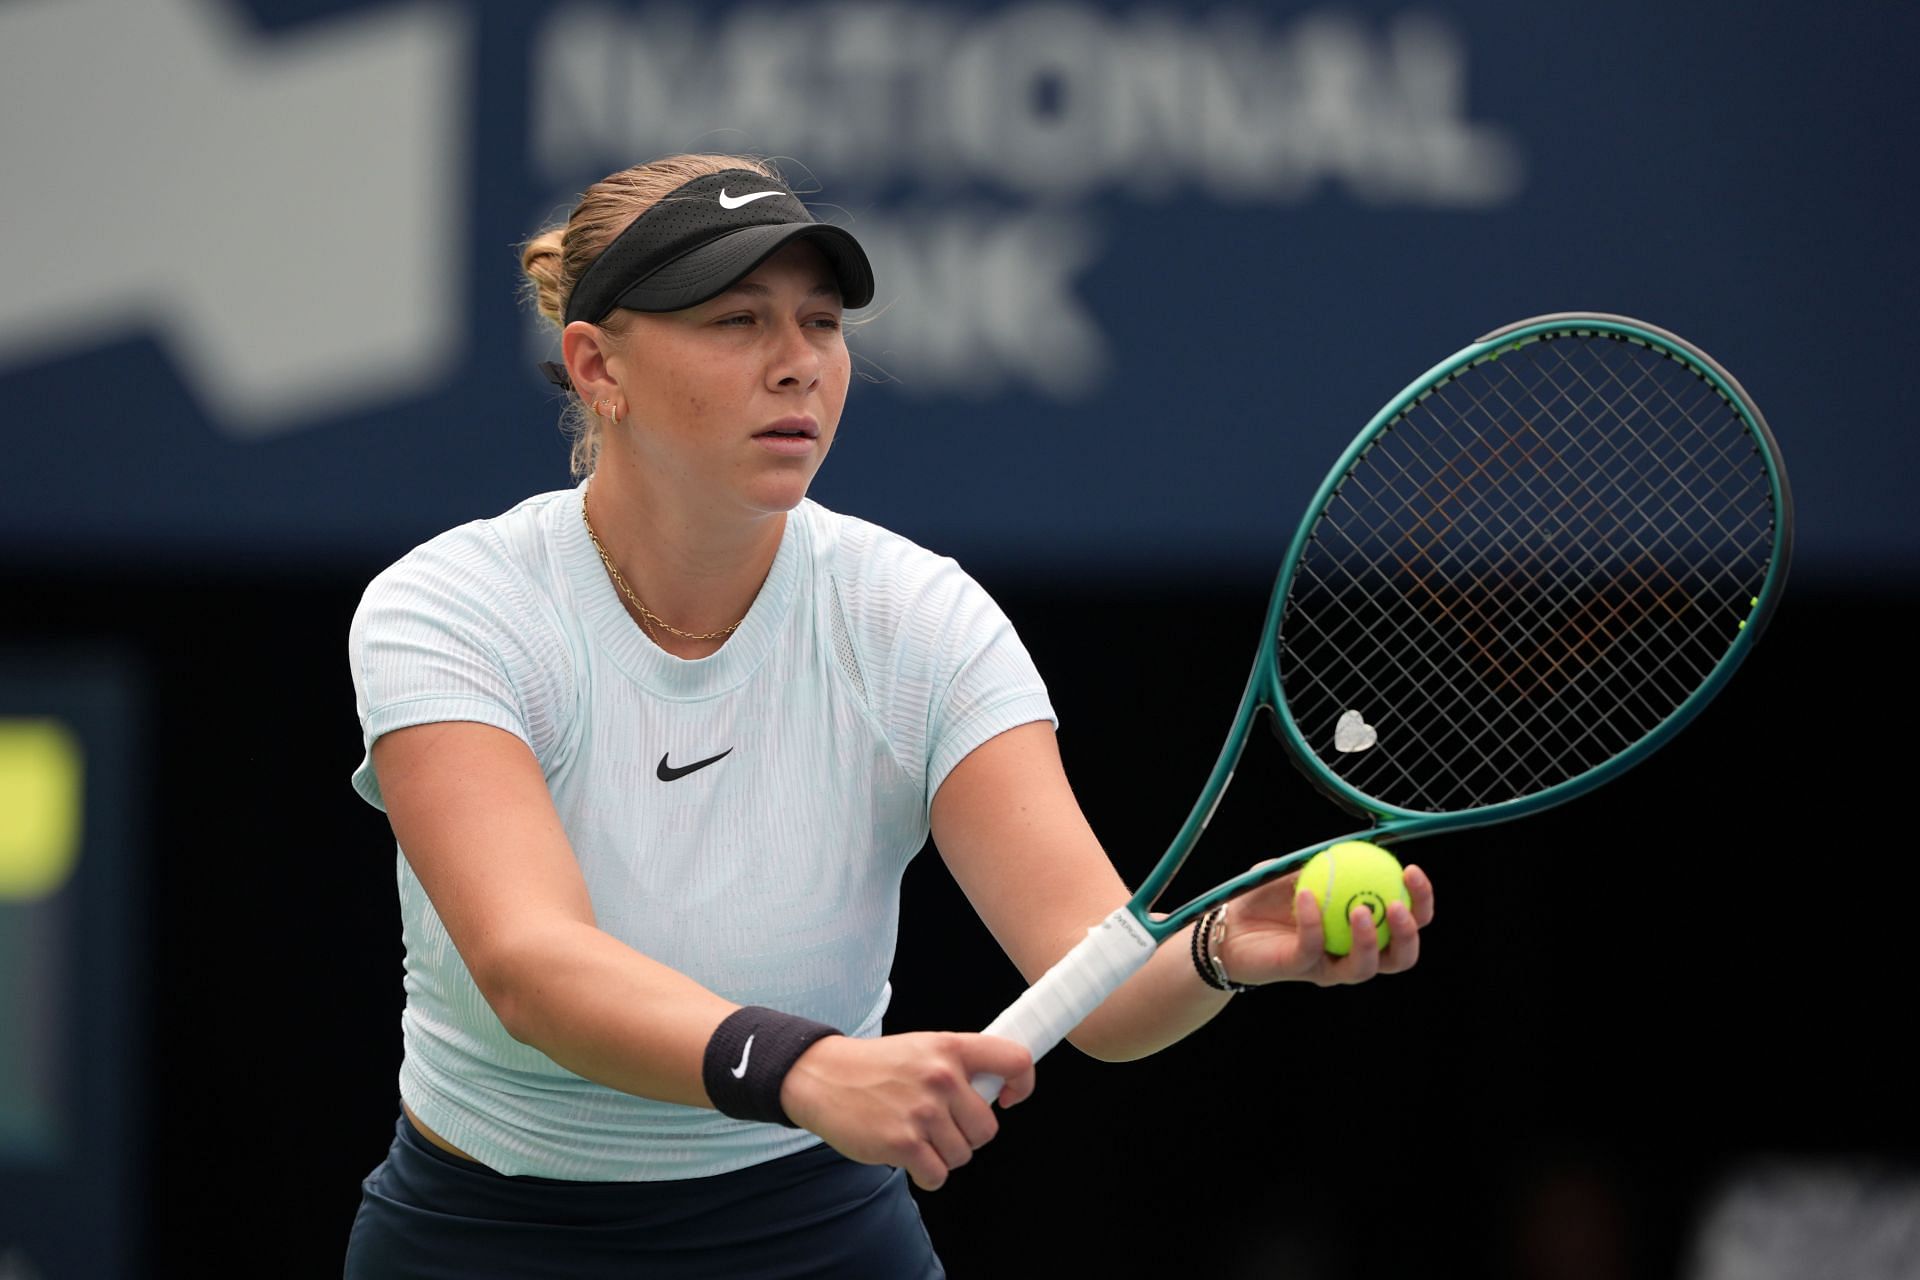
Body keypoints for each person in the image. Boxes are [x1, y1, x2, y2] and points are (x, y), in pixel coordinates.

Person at [341, 153, 1435, 1278]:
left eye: (820, 322)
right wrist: (808, 1068)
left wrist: (1217, 949)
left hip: (813, 1232)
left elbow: (1096, 979)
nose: (796, 364)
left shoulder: (919, 620)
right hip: (486, 1237)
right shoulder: (453, 608)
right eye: (736, 319)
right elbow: (530, 965)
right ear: (596, 364)